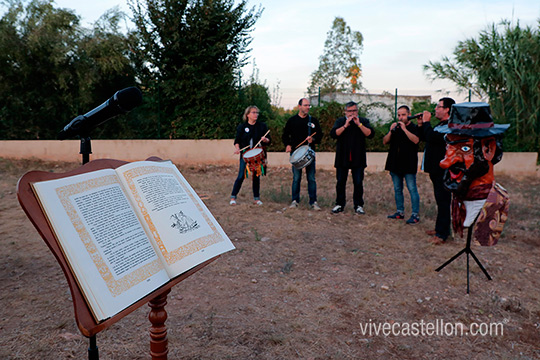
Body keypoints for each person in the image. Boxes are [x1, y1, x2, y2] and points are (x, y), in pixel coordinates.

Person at [435, 102, 510, 246]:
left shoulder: (494, 200)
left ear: (489, 149)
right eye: (448, 147)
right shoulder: (459, 199)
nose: (445, 162)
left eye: (464, 148)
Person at [417, 97, 455, 243]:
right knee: (440, 200)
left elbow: (433, 137)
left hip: (443, 170)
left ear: (447, 110)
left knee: (444, 200)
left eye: (439, 107)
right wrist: (421, 125)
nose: (435, 109)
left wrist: (426, 122)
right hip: (435, 169)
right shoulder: (440, 124)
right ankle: (440, 228)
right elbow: (426, 137)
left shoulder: (450, 126)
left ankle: (442, 234)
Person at [330, 101, 375, 214]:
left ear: (357, 111)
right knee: (341, 182)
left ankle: (359, 205)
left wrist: (359, 124)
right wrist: (345, 125)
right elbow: (334, 134)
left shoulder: (363, 121)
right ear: (345, 112)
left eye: (354, 111)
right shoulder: (340, 121)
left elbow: (370, 134)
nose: (352, 113)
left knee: (358, 182)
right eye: (349, 111)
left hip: (358, 158)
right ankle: (339, 204)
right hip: (342, 157)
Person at [282, 98, 323, 210]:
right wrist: (288, 145)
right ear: (299, 106)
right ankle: (295, 201)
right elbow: (285, 135)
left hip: (309, 153)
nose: (308, 107)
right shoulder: (292, 120)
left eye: (309, 105)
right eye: (305, 105)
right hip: (296, 154)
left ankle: (313, 202)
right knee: (296, 178)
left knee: (311, 178)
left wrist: (313, 139)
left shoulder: (313, 121)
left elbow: (320, 135)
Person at [383, 105, 420, 224]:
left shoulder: (414, 127)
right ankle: (400, 212)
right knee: (397, 189)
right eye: (399, 115)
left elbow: (416, 140)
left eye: (403, 115)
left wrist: (405, 129)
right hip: (395, 163)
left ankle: (415, 214)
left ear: (409, 114)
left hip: (408, 164)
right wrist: (390, 130)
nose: (401, 117)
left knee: (412, 189)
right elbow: (385, 141)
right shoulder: (395, 128)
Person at [230, 106, 271, 206]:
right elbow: (237, 141)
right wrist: (237, 148)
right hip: (245, 155)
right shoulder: (242, 127)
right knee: (241, 176)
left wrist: (265, 140)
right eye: (253, 112)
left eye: (257, 112)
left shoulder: (262, 126)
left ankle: (256, 199)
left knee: (256, 176)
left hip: (257, 156)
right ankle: (233, 197)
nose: (256, 114)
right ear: (247, 114)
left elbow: (269, 140)